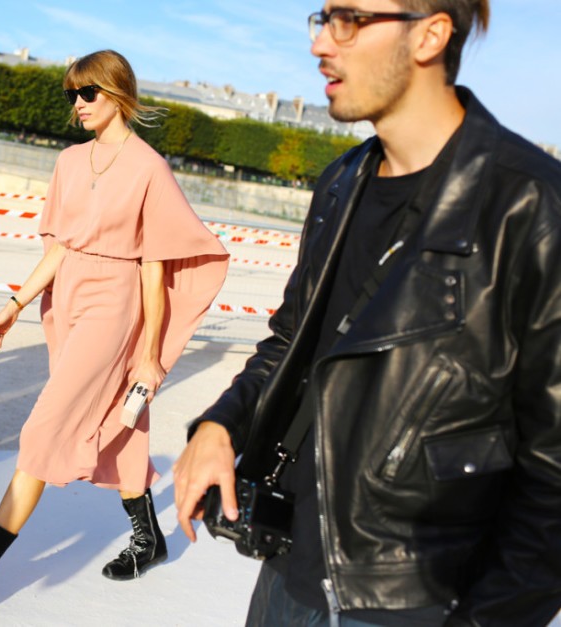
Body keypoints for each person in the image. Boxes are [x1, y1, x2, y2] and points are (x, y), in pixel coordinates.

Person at [174, 1, 561, 625]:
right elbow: (291, 339)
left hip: (413, 601)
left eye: (350, 20)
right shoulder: (340, 181)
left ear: (431, 35)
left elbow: (553, 480)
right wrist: (222, 423)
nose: (321, 44)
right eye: (324, 18)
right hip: (288, 574)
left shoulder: (532, 206)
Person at [0, 49, 230, 617]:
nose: (77, 103)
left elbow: (154, 266)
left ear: (117, 94)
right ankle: (148, 536)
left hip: (116, 302)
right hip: (69, 297)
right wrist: (16, 303)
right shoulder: (70, 161)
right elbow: (60, 248)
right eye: (71, 94)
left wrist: (149, 354)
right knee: (115, 416)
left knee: (46, 425)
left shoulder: (149, 167)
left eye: (88, 93)